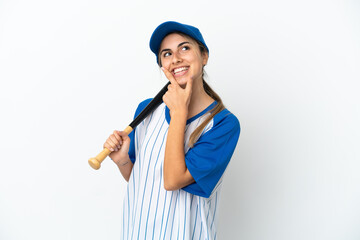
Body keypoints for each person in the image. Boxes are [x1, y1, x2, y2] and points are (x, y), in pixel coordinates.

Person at [104, 21, 240, 240]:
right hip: (136, 232)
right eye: (166, 53)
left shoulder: (223, 124)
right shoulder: (146, 110)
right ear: (162, 65)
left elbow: (173, 180)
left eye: (185, 48)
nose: (176, 58)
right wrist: (122, 160)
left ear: (204, 56)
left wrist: (179, 112)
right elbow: (145, 182)